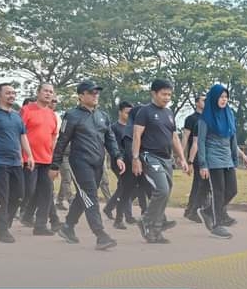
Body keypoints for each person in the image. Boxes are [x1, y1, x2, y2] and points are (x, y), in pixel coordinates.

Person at [50, 80, 125, 251]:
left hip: (98, 163)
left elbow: (110, 138)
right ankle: (100, 235)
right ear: (81, 96)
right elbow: (62, 141)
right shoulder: (72, 115)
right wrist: (55, 165)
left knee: (83, 195)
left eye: (97, 92)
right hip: (79, 162)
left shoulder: (103, 116)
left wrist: (117, 156)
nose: (95, 95)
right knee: (90, 195)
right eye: (91, 93)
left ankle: (68, 226)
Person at [132, 79, 189, 243]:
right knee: (162, 190)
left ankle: (155, 231)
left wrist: (182, 158)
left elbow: (174, 137)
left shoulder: (169, 113)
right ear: (154, 93)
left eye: (169, 94)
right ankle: (146, 220)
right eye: (164, 94)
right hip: (150, 156)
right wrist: (135, 158)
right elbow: (137, 135)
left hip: (166, 158)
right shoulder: (145, 112)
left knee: (166, 193)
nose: (167, 97)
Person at [0, 83, 35, 243]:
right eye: (8, 93)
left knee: (19, 195)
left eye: (13, 93)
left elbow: (23, 137)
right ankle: (3, 231)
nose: (12, 95)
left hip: (16, 162)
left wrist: (29, 156)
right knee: (1, 197)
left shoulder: (17, 116)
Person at [195, 83, 245, 240]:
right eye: (221, 97)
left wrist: (236, 159)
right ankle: (217, 226)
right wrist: (203, 164)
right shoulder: (205, 119)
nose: (224, 100)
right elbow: (200, 142)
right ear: (214, 98)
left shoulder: (229, 114)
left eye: (226, 97)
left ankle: (208, 211)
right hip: (213, 159)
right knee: (218, 192)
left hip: (227, 159)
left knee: (232, 190)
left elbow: (233, 137)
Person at [19, 83, 58, 235]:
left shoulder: (52, 114)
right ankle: (23, 215)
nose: (48, 94)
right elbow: (18, 132)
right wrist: (22, 154)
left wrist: (54, 159)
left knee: (46, 192)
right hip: (29, 158)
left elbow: (53, 136)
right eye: (45, 91)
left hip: (46, 160)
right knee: (30, 190)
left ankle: (40, 225)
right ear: (38, 92)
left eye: (51, 92)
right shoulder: (27, 110)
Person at [103, 100, 133, 229]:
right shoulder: (114, 127)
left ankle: (110, 208)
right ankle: (126, 215)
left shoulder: (132, 127)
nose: (129, 115)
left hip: (130, 161)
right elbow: (112, 145)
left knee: (125, 187)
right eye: (127, 113)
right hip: (118, 161)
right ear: (120, 112)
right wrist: (117, 157)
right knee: (125, 186)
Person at [182, 93, 205, 223]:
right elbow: (185, 137)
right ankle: (192, 210)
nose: (206, 102)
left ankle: (190, 209)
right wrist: (183, 157)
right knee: (199, 183)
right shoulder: (191, 119)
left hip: (206, 154)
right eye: (203, 100)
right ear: (197, 103)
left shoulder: (208, 118)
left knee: (200, 184)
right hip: (195, 154)